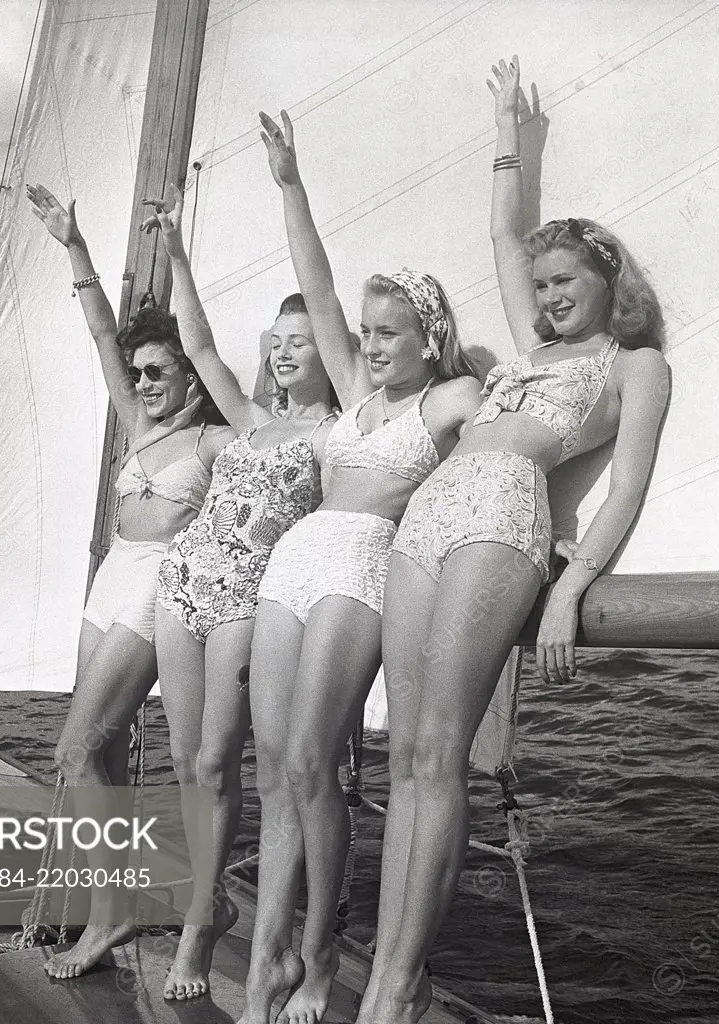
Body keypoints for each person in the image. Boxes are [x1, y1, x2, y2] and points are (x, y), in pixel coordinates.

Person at [358, 57, 669, 1024]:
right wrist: (505, 136)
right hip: (429, 516)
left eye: (563, 278)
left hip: (503, 515)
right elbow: (501, 230)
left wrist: (572, 588)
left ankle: (399, 988)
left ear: (605, 277)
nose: (545, 295)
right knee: (404, 752)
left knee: (439, 752)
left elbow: (625, 488)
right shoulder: (529, 350)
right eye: (537, 284)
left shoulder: (637, 364)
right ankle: (379, 979)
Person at [238, 111, 482, 1024]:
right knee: (274, 769)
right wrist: (288, 180)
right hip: (293, 564)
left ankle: (315, 961)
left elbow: (518, 440)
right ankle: (265, 959)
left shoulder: (454, 396)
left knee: (312, 765)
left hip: (359, 567)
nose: (369, 345)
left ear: (426, 334)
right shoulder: (354, 391)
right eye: (366, 333)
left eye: (388, 333)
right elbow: (317, 285)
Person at [25, 183, 234, 979]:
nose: (142, 380)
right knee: (100, 757)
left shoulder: (213, 445)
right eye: (139, 370)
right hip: (108, 579)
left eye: (159, 370)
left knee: (72, 750)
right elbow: (99, 333)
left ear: (190, 374)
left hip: (156, 586)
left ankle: (109, 918)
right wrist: (73, 244)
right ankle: (113, 908)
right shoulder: (137, 423)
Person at [140, 185, 339, 1001]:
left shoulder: (338, 435)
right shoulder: (248, 418)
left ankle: (195, 931)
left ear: (329, 349)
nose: (287, 351)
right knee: (188, 763)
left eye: (303, 339)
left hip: (245, 602)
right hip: (182, 581)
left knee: (219, 762)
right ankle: (209, 899)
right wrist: (178, 255)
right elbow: (199, 342)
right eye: (279, 340)